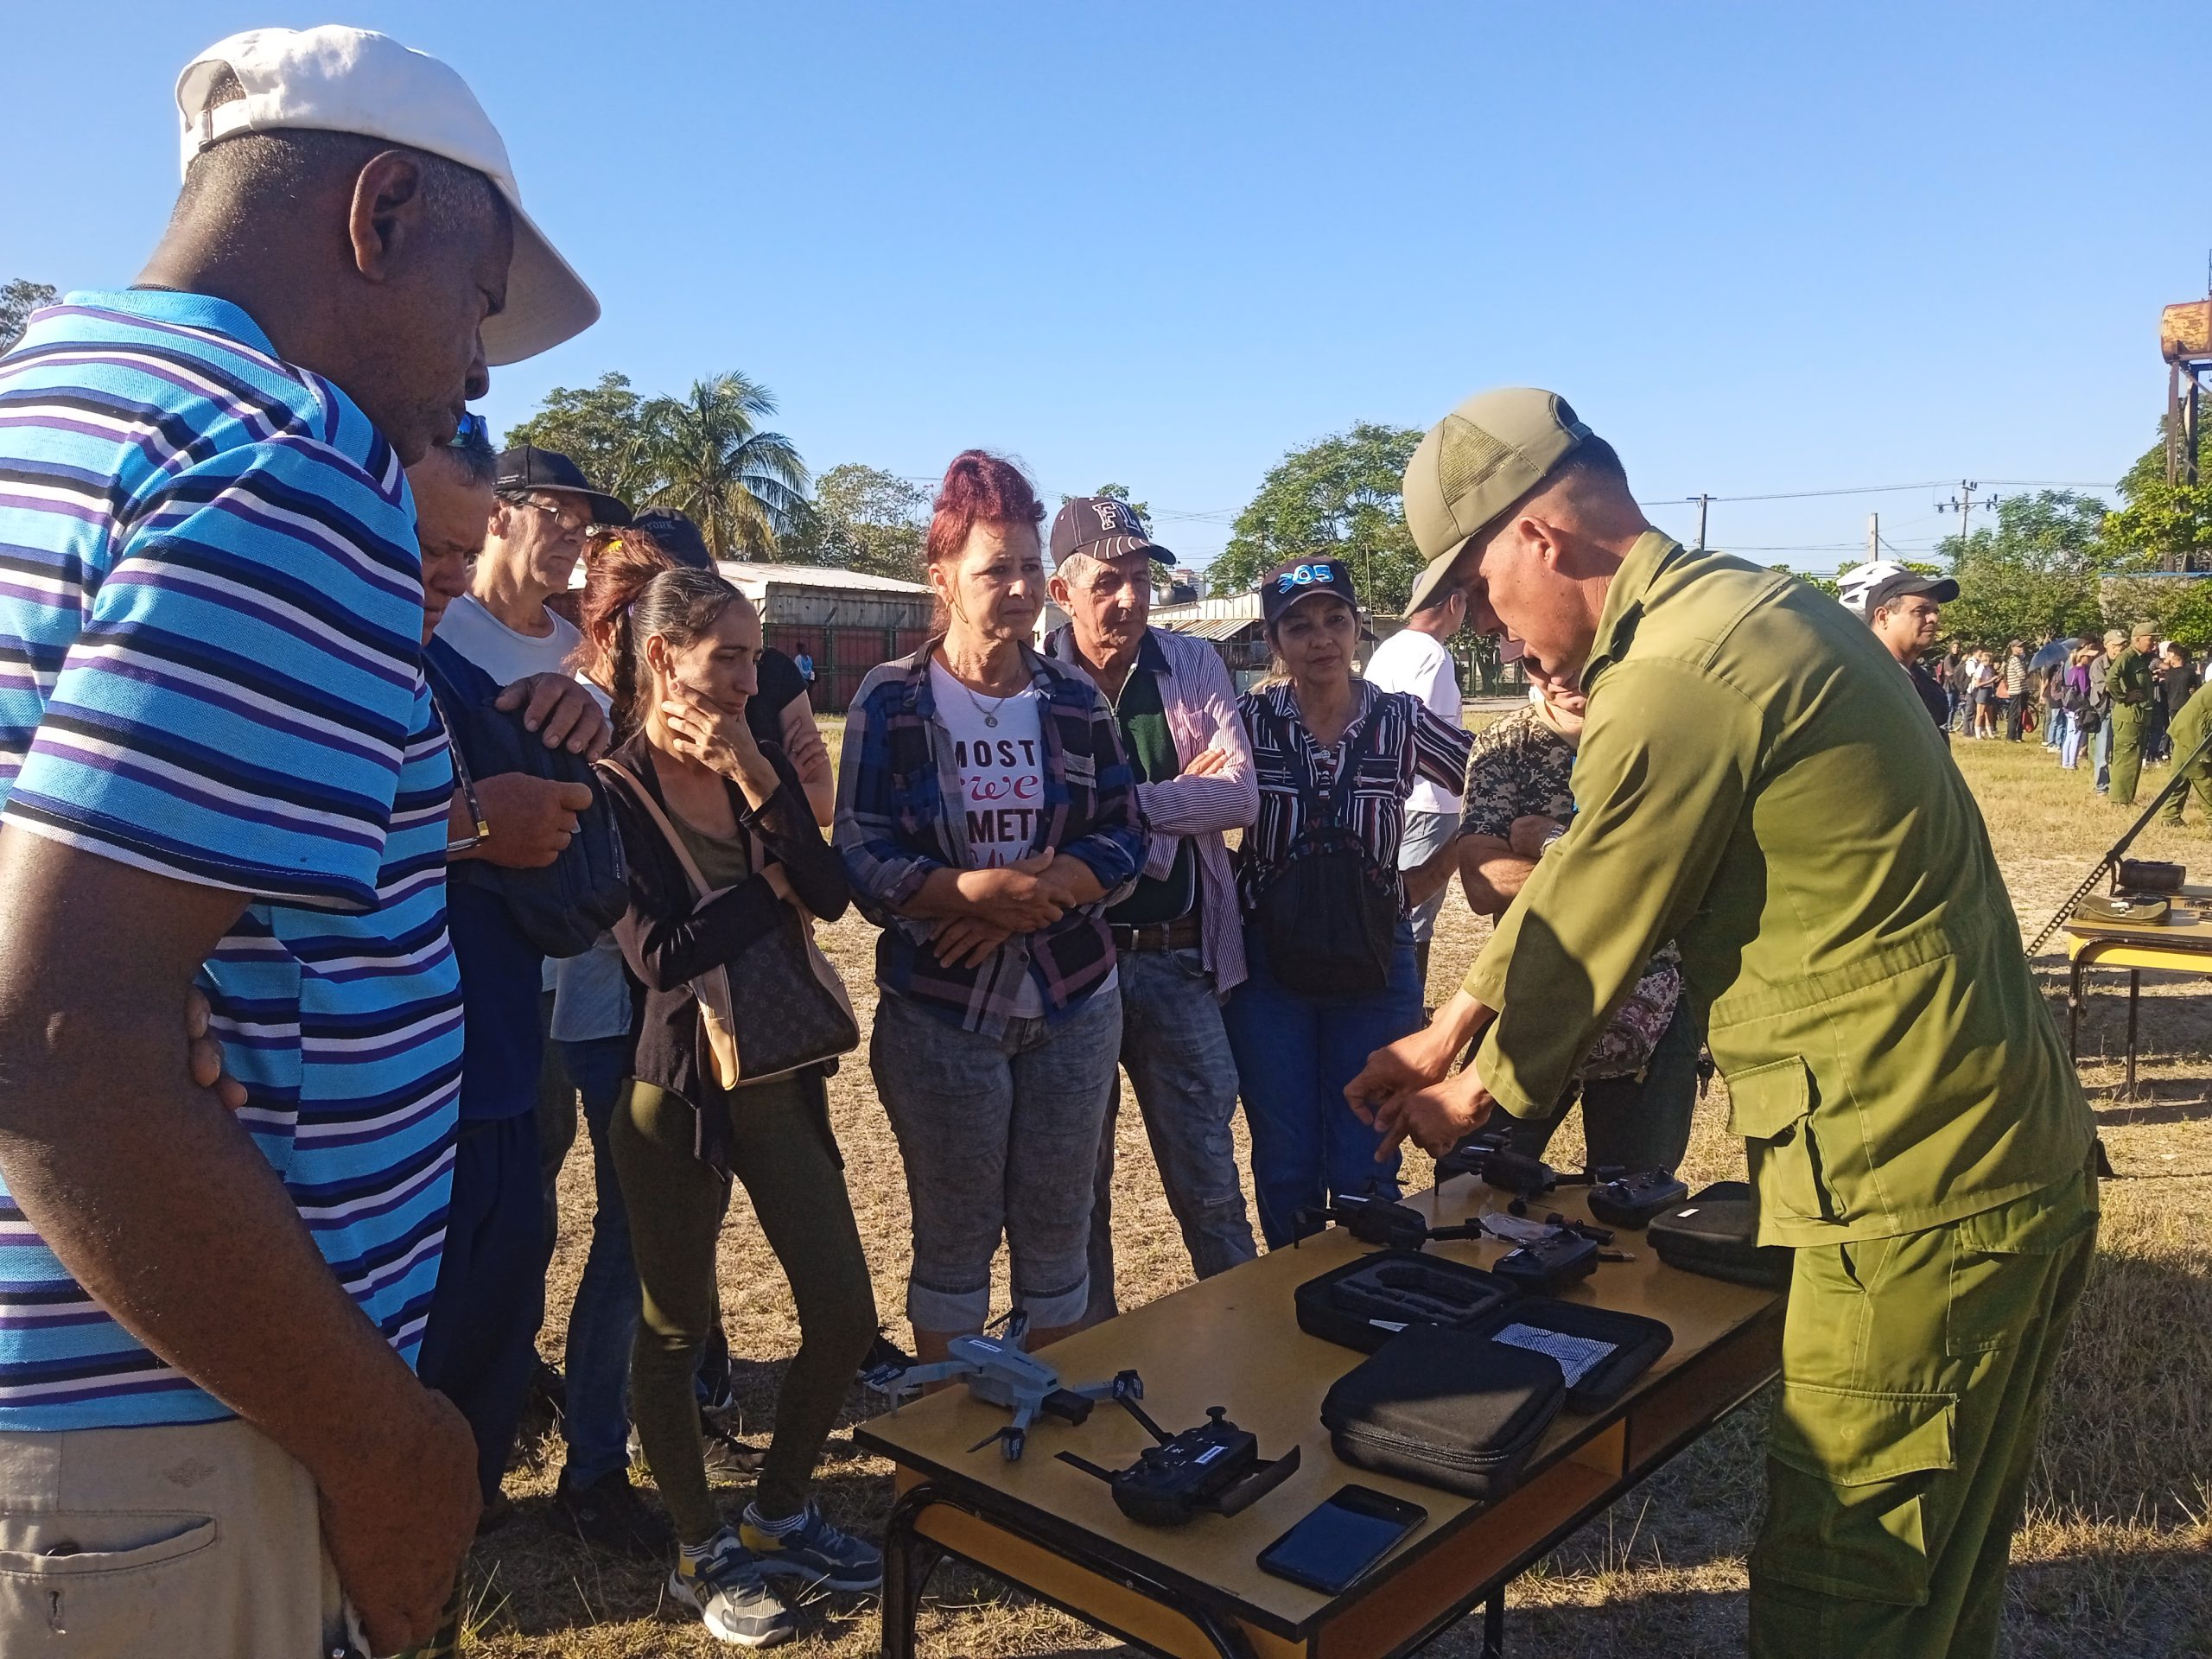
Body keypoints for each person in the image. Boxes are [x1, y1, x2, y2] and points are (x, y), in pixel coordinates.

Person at [0, 24, 601, 1655]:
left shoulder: (47, 401)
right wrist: (386, 1443)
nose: (480, 376)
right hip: (177, 1439)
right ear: (383, 211)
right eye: (482, 305)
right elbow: (59, 1036)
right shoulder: (289, 460)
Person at [1349, 387, 2095, 1659]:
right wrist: (1449, 1022)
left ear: (1539, 537)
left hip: (1907, 1192)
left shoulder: (1673, 677)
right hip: (1997, 1158)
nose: (1484, 626)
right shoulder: (1754, 610)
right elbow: (1601, 860)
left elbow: (1601, 914)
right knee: (1937, 1588)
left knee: (1844, 1588)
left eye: (1478, 586)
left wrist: (1477, 1096)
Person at [598, 567, 880, 1647]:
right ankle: (694, 1547)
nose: (746, 677)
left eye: (755, 656)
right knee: (674, 1330)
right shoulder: (616, 784)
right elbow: (661, 955)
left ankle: (776, 1514)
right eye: (727, 657)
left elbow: (837, 891)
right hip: (675, 1091)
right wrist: (771, 891)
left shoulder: (752, 753)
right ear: (663, 656)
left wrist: (759, 770)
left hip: (778, 1070)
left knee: (845, 1316)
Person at [836, 452, 1143, 1363]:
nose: (1016, 590)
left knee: (1059, 1230)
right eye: (992, 569)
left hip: (1073, 1001)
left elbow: (1123, 830)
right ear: (942, 578)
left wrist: (1037, 895)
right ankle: (943, 1460)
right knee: (954, 1234)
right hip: (943, 1011)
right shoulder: (890, 698)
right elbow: (858, 846)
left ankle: (1048, 1436)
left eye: (1025, 569)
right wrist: (961, 895)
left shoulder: (1071, 698)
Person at [410, 424, 613, 1541]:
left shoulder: (477, 663)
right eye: (424, 541)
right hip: (396, 1086)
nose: (440, 570)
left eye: (451, 546)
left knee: (503, 1279)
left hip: (496, 1049)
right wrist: (479, 821)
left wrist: (586, 724)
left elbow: (567, 782)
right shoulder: (361, 656)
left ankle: (459, 1524)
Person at [1042, 494, 1260, 1323]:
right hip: (1075, 964)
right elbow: (1046, 822)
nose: (1129, 598)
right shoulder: (1038, 683)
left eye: (1140, 577)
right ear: (1063, 592)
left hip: (1180, 956)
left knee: (1208, 1176)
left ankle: (1245, 1337)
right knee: (1076, 1185)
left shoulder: (1193, 664)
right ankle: (1091, 1350)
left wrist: (1120, 807)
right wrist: (1176, 797)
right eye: (1107, 581)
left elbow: (1238, 794)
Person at [1225, 556, 1472, 1247]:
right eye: (1298, 626)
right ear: (1274, 643)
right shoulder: (1246, 720)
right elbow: (1190, 799)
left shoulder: (1399, 720)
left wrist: (1423, 880)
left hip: (1376, 957)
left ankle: (1371, 1290)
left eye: (1336, 620)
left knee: (1371, 1143)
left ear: (1359, 629)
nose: (1321, 639)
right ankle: (1293, 1296)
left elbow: (1478, 789)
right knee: (1285, 1152)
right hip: (1270, 963)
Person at [1454, 679, 1699, 1172]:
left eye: (1578, 661)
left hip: (1654, 999)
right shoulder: (1508, 742)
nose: (1559, 677)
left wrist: (1552, 843)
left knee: (1635, 1192)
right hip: (1534, 990)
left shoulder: (1662, 734)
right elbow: (1483, 884)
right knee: (1472, 1178)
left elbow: (1682, 875)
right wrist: (1621, 881)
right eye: (1537, 662)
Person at [632, 507, 836, 824]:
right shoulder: (616, 682)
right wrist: (772, 784)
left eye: (693, 575)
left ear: (713, 568)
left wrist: (758, 774)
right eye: (661, 581)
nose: (748, 684)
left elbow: (823, 806)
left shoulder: (772, 672)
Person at [1362, 580, 1470, 984]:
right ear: (1454, 602)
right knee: (1414, 911)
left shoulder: (1389, 648)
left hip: (1388, 798)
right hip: (1429, 801)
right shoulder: (1434, 655)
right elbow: (1423, 736)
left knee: (1390, 900)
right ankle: (1406, 1003)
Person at [1859, 569, 1958, 741]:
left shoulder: (1916, 677)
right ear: (1883, 617)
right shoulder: (1864, 678)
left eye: (1936, 611)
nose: (1933, 618)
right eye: (1920, 611)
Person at [2107, 620, 2158, 805]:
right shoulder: (2127, 656)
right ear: (2137, 639)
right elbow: (2111, 679)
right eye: (2150, 640)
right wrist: (2123, 697)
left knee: (2135, 758)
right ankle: (2119, 800)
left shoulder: (2140, 658)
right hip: (2128, 717)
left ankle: (2126, 798)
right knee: (2126, 758)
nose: (2153, 643)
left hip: (2140, 716)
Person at [2159, 672, 2212, 828]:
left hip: (2185, 728)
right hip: (2193, 732)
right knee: (2203, 775)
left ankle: (2170, 816)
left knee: (2180, 777)